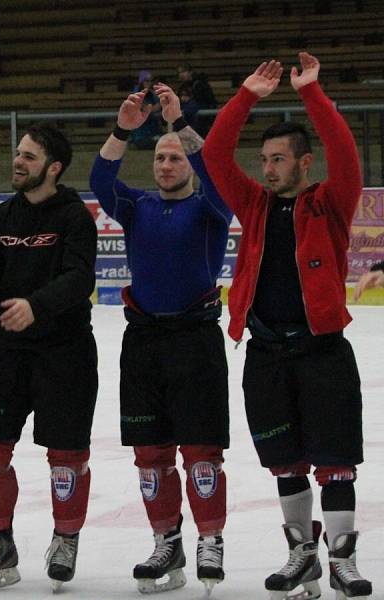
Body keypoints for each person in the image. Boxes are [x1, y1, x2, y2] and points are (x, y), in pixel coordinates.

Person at [202, 53, 373, 599]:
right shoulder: (252, 204)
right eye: (264, 159)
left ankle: (342, 557)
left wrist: (312, 94)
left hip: (323, 352)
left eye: (278, 159)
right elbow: (213, 154)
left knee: (336, 463)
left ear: (304, 164)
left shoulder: (330, 203)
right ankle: (302, 555)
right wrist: (246, 95)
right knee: (285, 461)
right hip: (267, 354)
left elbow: (345, 154)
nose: (268, 168)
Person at [90, 84, 232, 595]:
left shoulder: (210, 209)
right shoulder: (136, 207)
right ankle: (165, 540)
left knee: (200, 450)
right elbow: (100, 178)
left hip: (196, 340)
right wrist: (124, 128)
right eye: (161, 158)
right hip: (144, 341)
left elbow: (219, 179)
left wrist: (179, 125)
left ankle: (210, 540)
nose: (167, 164)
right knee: (150, 452)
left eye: (175, 157)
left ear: (188, 164)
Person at [0, 123, 98, 593]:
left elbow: (80, 279)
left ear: (53, 168)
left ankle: (65, 539)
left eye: (29, 156)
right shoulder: (0, 219)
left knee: (65, 455)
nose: (18, 161)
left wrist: (36, 306)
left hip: (65, 353)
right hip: (9, 353)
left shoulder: (75, 217)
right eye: (18, 153)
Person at [177, 64, 218, 137]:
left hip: (202, 122)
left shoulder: (201, 84)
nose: (181, 75)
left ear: (190, 72)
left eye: (184, 72)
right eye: (179, 73)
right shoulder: (182, 88)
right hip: (187, 122)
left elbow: (209, 101)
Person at [130, 70, 162, 149]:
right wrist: (154, 109)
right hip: (140, 136)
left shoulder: (152, 93)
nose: (149, 83)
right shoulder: (136, 93)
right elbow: (145, 109)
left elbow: (160, 105)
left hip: (152, 132)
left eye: (151, 81)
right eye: (147, 81)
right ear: (141, 82)